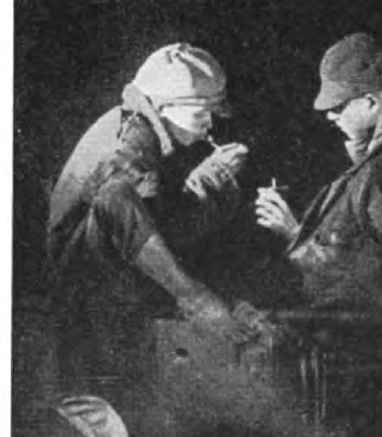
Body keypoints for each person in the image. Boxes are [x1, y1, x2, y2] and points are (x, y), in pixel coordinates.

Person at [47, 42, 254, 399]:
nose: (210, 125)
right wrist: (196, 298)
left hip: (110, 294)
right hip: (93, 302)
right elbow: (117, 206)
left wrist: (212, 178)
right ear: (163, 107)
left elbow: (156, 226)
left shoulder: (139, 129)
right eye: (202, 113)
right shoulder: (128, 143)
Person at [255, 32, 382, 320]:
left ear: (371, 103)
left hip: (369, 329)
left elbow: (374, 282)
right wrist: (362, 150)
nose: (330, 116)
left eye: (338, 106)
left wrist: (291, 231)